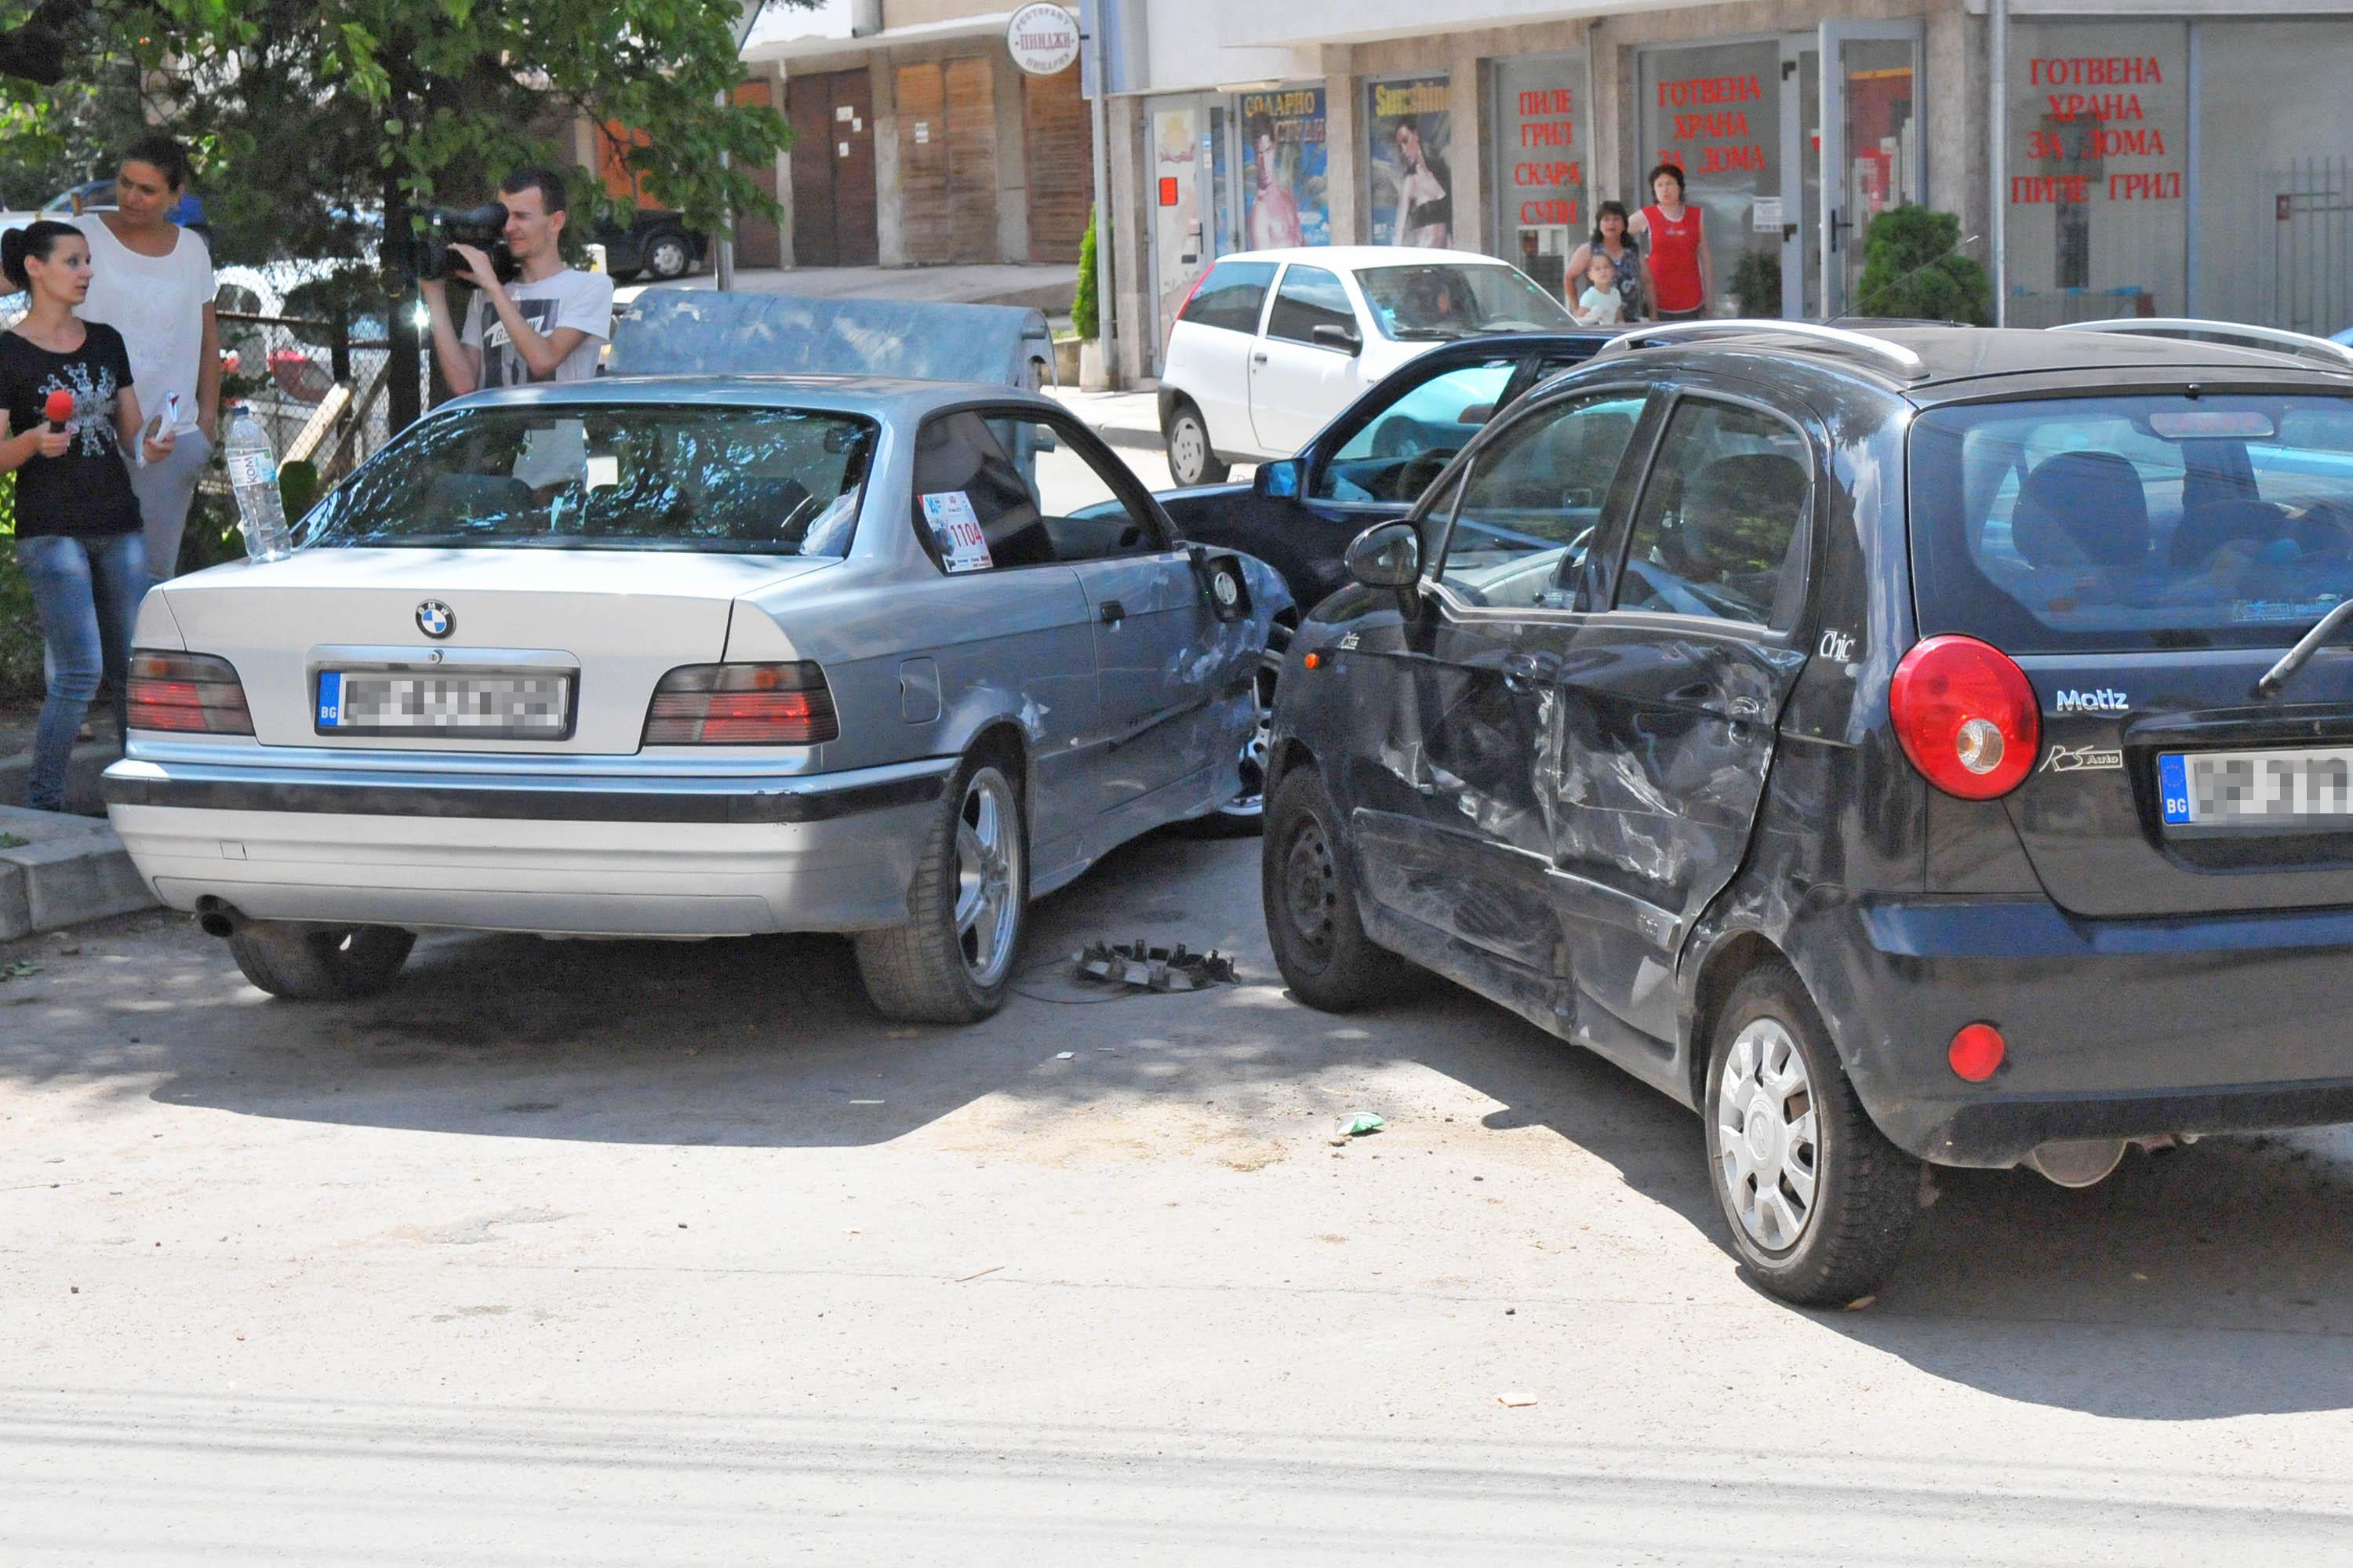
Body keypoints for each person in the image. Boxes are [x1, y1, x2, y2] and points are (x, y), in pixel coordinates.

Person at [0, 221, 175, 812]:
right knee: (81, 671)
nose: (87, 272)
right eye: (73, 261)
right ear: (35, 267)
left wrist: (153, 443)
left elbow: (132, 436)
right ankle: (43, 806)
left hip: (117, 521)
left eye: (88, 261)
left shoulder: (106, 340)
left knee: (130, 669)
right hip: (51, 530)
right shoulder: (8, 350)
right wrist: (30, 444)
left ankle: (141, 798)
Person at [72, 133, 218, 590]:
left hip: (169, 440)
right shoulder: (82, 237)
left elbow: (208, 340)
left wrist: (206, 425)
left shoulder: (192, 249)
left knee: (152, 581)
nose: (132, 197)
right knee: (80, 580)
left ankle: (133, 667)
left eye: (148, 189)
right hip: (88, 436)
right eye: (125, 183)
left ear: (176, 197)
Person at [422, 167, 615, 395]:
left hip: (555, 429)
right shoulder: (487, 291)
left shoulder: (591, 286)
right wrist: (433, 291)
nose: (509, 228)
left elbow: (543, 361)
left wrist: (493, 287)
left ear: (556, 222)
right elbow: (463, 384)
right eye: (504, 217)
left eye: (521, 217)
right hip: (493, 430)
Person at [1629, 163, 1712, 321]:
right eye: (1659, 185)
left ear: (1679, 187)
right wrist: (1638, 259)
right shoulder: (1646, 215)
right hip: (1658, 300)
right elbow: (1616, 236)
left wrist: (1709, 298)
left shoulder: (1696, 215)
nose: (1665, 189)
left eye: (1669, 184)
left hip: (1692, 298)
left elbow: (1705, 256)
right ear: (1654, 190)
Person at [1566, 200, 1647, 322]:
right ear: (1599, 224)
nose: (1611, 224)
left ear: (1624, 224)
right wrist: (1576, 309)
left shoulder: (1634, 251)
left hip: (1629, 322)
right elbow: (1569, 277)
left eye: (1616, 219)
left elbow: (1648, 282)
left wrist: (1653, 315)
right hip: (1596, 322)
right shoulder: (1588, 250)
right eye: (1606, 219)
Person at [1245, 113, 1305, 250]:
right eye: (1258, 153)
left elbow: (1300, 241)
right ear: (1254, 157)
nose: (1263, 162)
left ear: (1274, 148)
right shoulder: (1260, 210)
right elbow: (1263, 265)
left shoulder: (1287, 197)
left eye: (1267, 151)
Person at [1391, 118, 1452, 249]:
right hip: (1425, 258)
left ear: (1416, 135)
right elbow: (1399, 231)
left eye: (1406, 141)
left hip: (1445, 260)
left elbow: (1449, 229)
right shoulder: (1410, 182)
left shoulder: (1438, 175)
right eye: (1400, 146)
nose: (1404, 150)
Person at [1571, 252, 1625, 327]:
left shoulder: (1615, 293)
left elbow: (1620, 319)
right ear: (1590, 275)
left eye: (1606, 267)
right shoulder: (1589, 296)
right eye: (1598, 269)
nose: (1603, 271)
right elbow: (1579, 323)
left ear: (1613, 271)